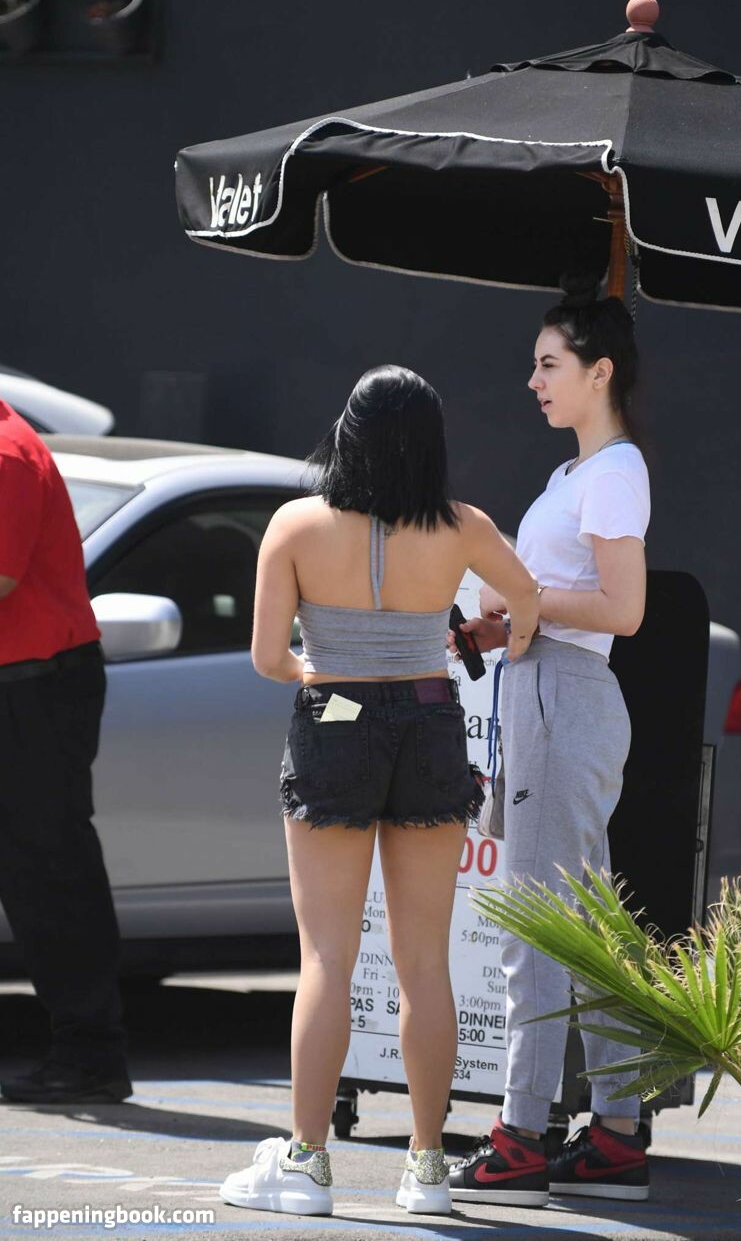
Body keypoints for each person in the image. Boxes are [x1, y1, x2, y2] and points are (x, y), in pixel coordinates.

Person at [219, 364, 539, 1218]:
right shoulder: (464, 526)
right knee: (424, 960)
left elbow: (268, 659)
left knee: (326, 957)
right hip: (432, 719)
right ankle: (428, 1169)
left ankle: (306, 1163)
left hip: (334, 717)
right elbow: (528, 603)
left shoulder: (295, 525)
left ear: (347, 435)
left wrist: (321, 674)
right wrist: (487, 641)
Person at [447, 275, 651, 1207]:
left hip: (565, 700)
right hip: (545, 691)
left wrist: (522, 602)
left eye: (549, 364)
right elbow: (558, 606)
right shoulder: (574, 475)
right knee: (584, 925)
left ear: (598, 371)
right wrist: (502, 625)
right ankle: (615, 1132)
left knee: (536, 923)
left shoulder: (613, 472)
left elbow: (624, 609)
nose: (533, 381)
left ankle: (522, 1135)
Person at [0, 400, 130, 1104]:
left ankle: (90, 1054)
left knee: (50, 869)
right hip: (23, 682)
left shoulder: (6, 454)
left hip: (36, 687)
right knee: (37, 869)